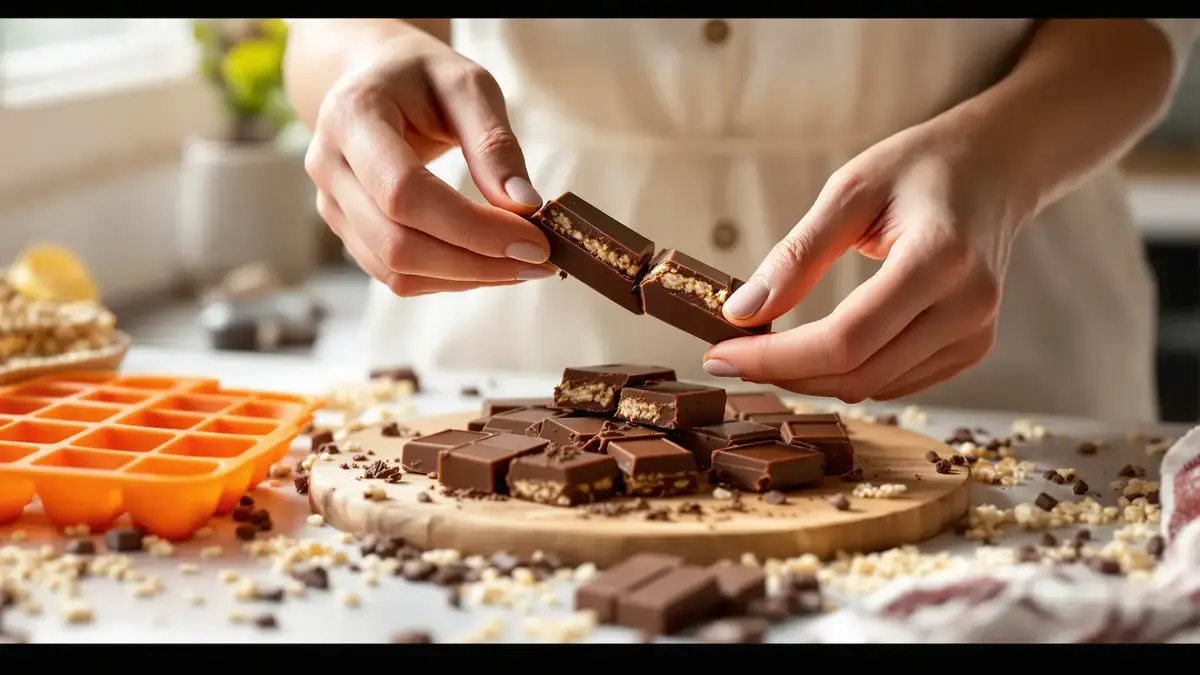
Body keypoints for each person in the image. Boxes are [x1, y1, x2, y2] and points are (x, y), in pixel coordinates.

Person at [284, 19, 1198, 422]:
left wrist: (999, 160)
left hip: (991, 368)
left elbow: (1138, 27)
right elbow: (336, 27)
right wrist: (364, 61)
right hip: (505, 348)